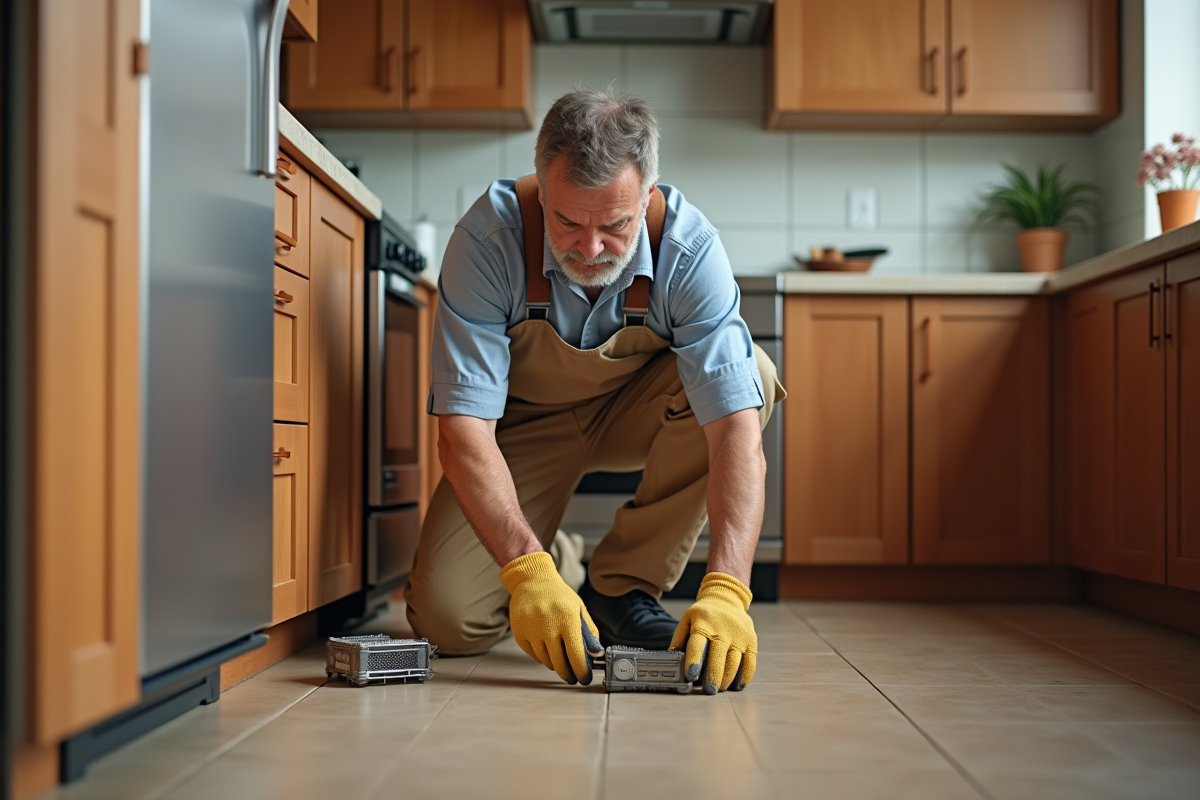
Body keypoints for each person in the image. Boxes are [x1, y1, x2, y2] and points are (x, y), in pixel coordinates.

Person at [403, 87, 784, 695]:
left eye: (615, 225)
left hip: (640, 412)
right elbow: (463, 431)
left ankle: (621, 585)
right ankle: (559, 559)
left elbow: (735, 428)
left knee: (753, 379)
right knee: (449, 623)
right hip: (523, 428)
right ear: (541, 188)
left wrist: (729, 590)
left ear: (648, 198)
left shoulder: (688, 248)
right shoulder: (487, 241)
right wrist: (529, 573)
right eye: (567, 221)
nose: (590, 247)